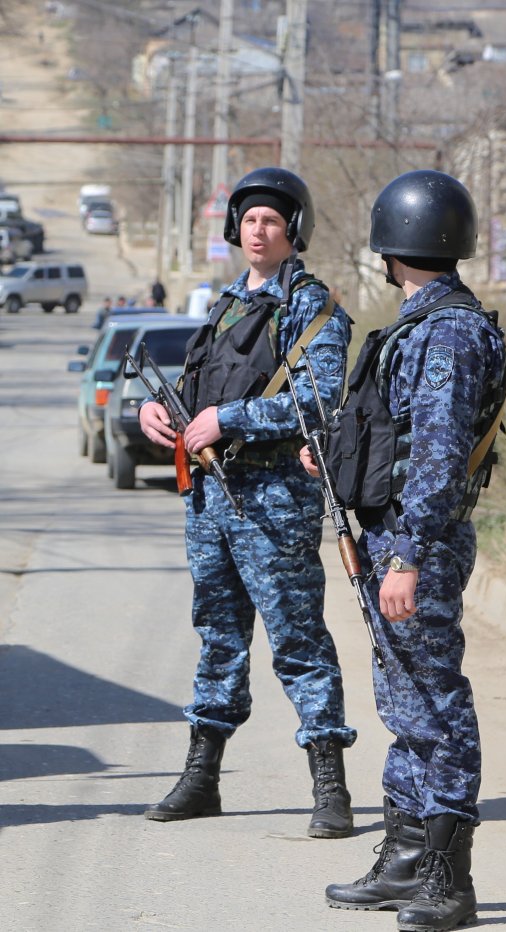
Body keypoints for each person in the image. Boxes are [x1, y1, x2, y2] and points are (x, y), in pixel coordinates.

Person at [302, 170, 506, 930]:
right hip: (397, 534)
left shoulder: (449, 332)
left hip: (416, 542)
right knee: (403, 699)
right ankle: (404, 861)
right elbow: (401, 439)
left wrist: (407, 556)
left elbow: (440, 455)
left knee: (436, 703)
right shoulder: (427, 324)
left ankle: (449, 882)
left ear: (393, 246)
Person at [139, 166, 357, 838]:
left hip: (275, 502)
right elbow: (190, 389)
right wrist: (156, 412)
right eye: (249, 220)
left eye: (271, 220)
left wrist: (228, 420)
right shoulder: (226, 306)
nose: (257, 231)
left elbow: (313, 401)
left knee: (298, 641)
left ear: (294, 230)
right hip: (209, 500)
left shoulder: (313, 307)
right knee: (218, 639)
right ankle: (202, 777)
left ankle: (330, 787)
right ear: (235, 229)